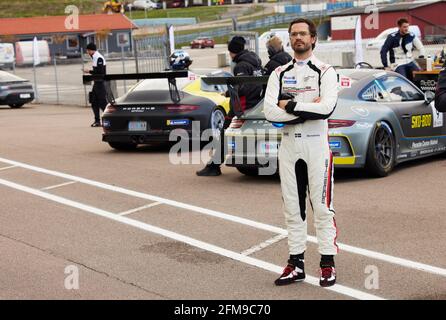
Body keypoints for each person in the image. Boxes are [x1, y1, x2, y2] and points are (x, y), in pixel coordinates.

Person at [263, 18, 339, 287]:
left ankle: (327, 263)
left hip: (317, 145)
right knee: (292, 209)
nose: (298, 38)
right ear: (289, 38)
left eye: (303, 34)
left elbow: (327, 108)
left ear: (313, 39)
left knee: (321, 207)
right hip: (289, 145)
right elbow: (269, 111)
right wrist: (306, 109)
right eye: (294, 34)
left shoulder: (326, 71)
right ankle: (295, 264)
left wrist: (291, 104)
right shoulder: (279, 73)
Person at [196, 36, 263, 176]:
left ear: (232, 51)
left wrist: (229, 92)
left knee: (225, 133)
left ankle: (214, 166)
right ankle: (215, 164)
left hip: (242, 106)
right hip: (256, 103)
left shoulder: (241, 65)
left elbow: (243, 87)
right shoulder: (255, 62)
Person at [380, 18, 425, 82]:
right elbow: (383, 51)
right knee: (403, 81)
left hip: (410, 61)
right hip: (398, 63)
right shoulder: (392, 37)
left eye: (407, 26)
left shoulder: (411, 35)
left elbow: (421, 47)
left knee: (420, 77)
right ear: (399, 27)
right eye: (404, 27)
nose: (406, 29)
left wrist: (421, 57)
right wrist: (385, 66)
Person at [84, 43, 107, 127]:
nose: (87, 52)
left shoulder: (99, 57)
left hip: (100, 83)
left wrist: (89, 71)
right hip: (96, 83)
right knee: (94, 101)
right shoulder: (94, 57)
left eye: (88, 50)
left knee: (102, 103)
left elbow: (101, 72)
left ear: (91, 50)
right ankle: (97, 121)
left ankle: (108, 120)